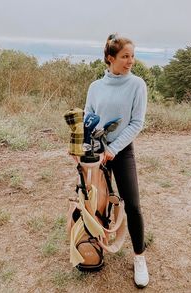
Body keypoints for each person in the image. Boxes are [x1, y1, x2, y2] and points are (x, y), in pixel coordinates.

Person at [84, 33, 149, 288]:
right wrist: (90, 146)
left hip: (121, 152)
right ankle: (96, 247)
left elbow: (137, 123)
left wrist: (112, 149)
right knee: (96, 204)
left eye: (132, 56)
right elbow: (88, 115)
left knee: (132, 205)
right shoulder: (95, 87)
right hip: (95, 152)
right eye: (125, 56)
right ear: (110, 58)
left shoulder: (137, 85)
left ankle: (139, 257)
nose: (130, 61)